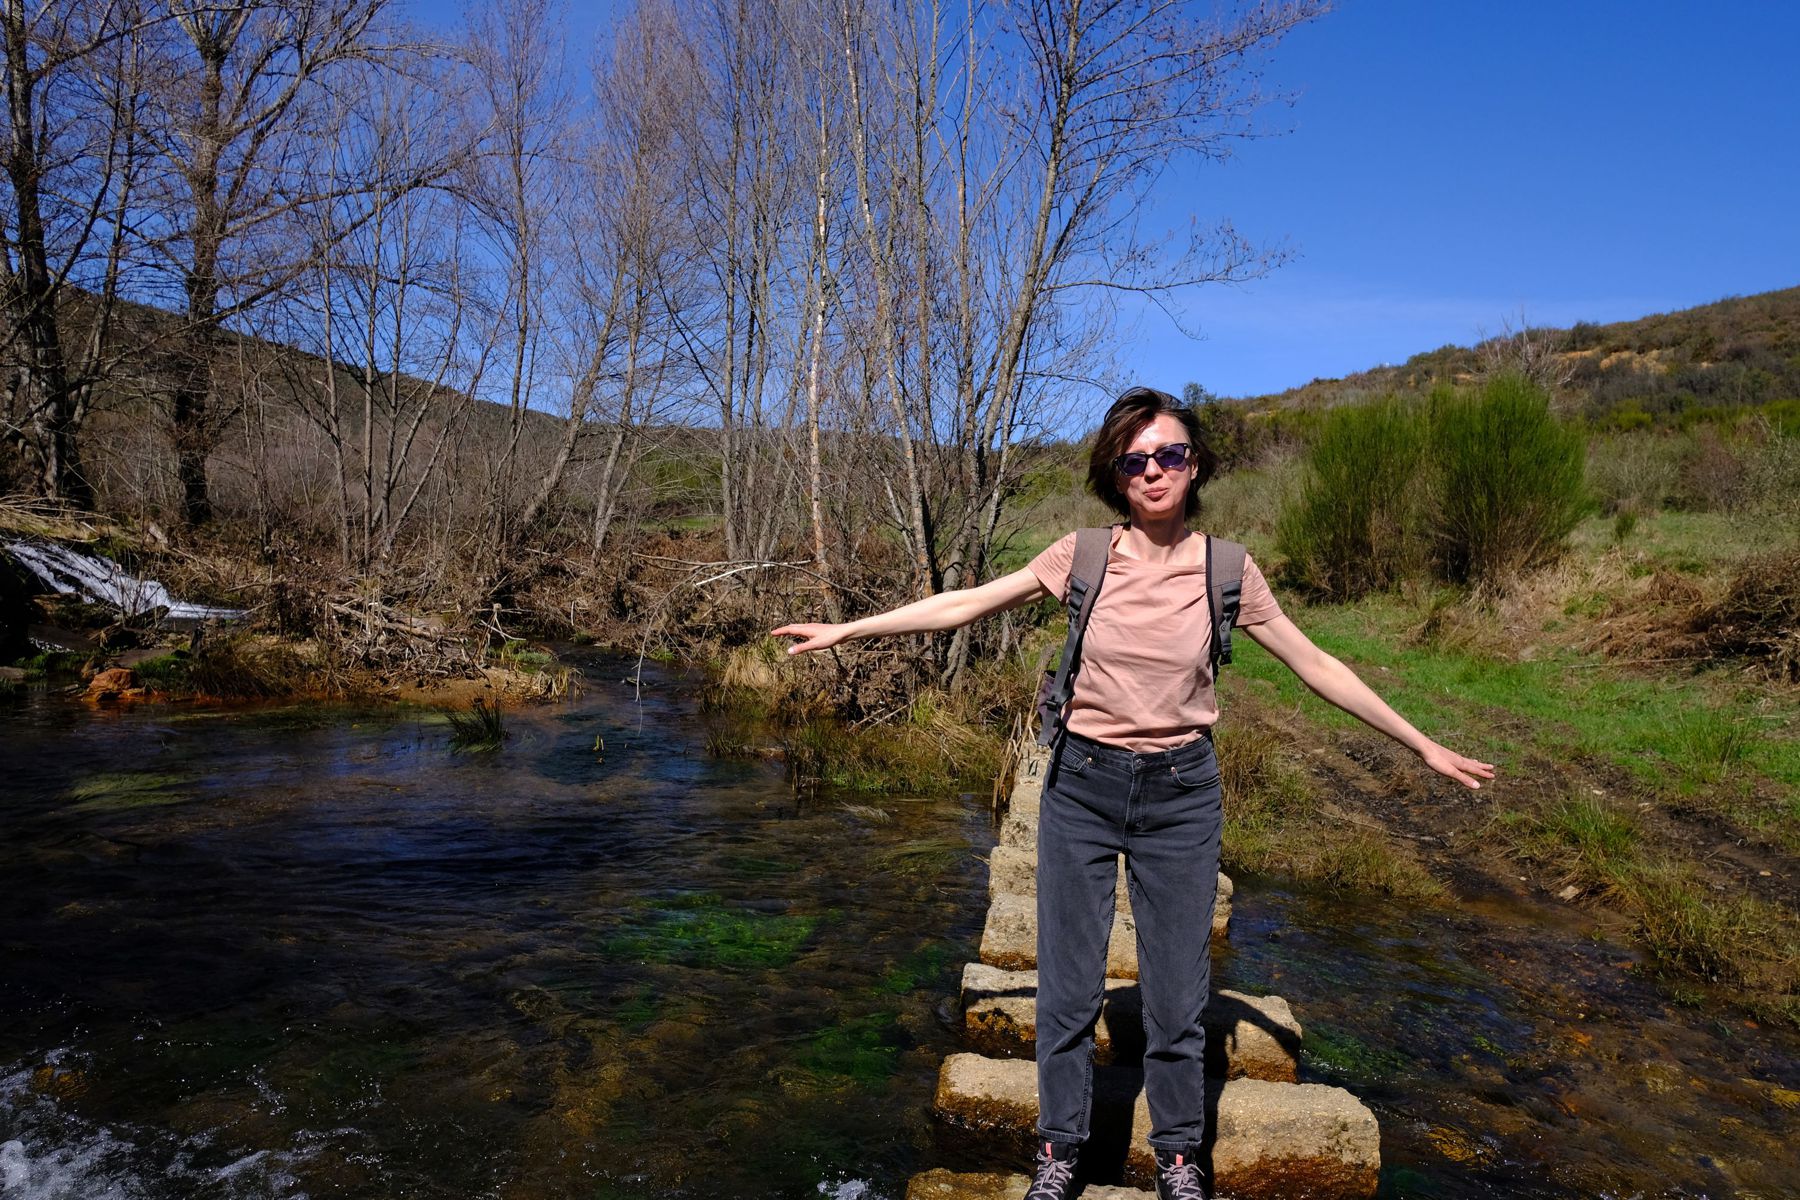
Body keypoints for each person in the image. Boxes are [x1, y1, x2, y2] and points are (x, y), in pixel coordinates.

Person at [772, 386, 1494, 1200]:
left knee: (1179, 997)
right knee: (1070, 991)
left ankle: (1179, 1157)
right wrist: (848, 629)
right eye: (1136, 459)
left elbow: (1316, 663)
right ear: (1116, 474)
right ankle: (1060, 1152)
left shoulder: (1228, 568)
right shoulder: (1082, 555)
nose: (1154, 471)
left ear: (1195, 466)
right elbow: (967, 604)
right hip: (1081, 784)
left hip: (1182, 794)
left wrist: (1423, 744)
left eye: (1170, 455)